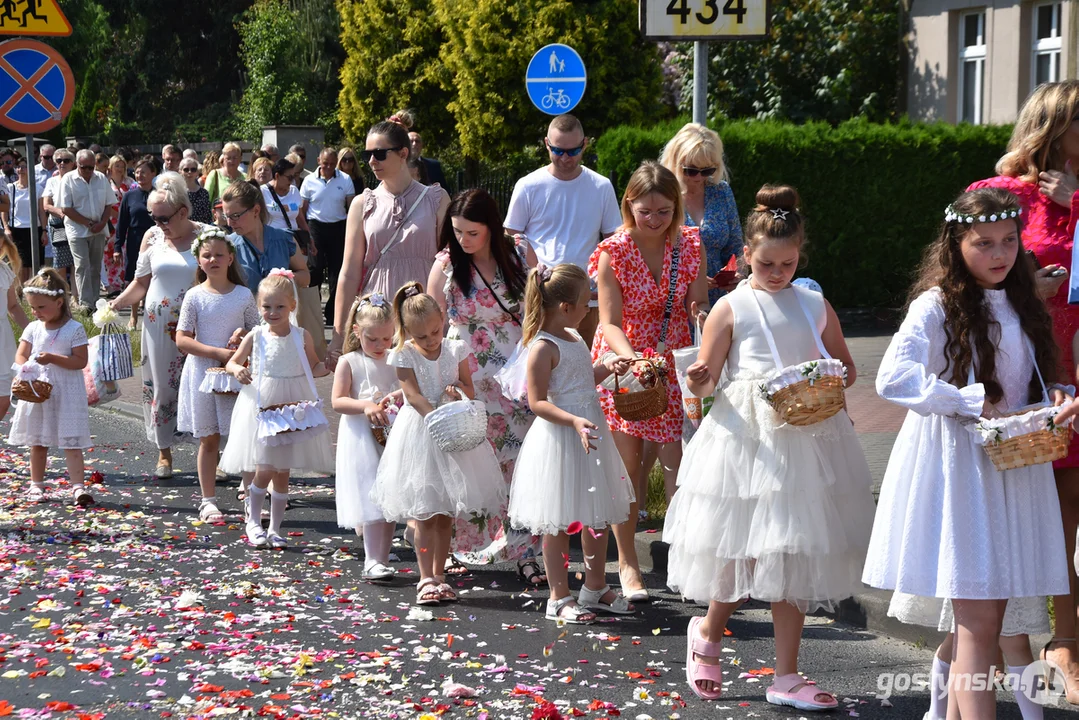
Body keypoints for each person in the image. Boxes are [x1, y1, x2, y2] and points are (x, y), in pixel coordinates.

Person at [864, 188, 1071, 719]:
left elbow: (1024, 381)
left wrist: (1054, 401)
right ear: (956, 246)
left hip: (1014, 475)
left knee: (1003, 627)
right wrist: (968, 401)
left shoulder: (1023, 303)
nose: (1000, 254)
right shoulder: (935, 306)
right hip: (962, 475)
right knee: (980, 627)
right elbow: (893, 377)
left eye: (1009, 241)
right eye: (984, 243)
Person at [664, 184, 872, 706]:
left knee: (795, 553)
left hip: (809, 436)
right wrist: (701, 375)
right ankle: (709, 631)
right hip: (748, 441)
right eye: (767, 264)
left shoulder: (813, 302)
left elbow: (844, 363)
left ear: (800, 254)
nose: (779, 272)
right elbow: (705, 384)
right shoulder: (731, 307)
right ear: (745, 258)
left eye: (788, 262)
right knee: (741, 552)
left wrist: (834, 378)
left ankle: (786, 675)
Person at [590, 161, 709, 602]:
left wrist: (701, 316)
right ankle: (627, 564)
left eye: (664, 211)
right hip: (626, 363)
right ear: (629, 206)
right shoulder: (613, 251)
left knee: (676, 466)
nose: (655, 220)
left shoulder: (690, 244)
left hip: (675, 363)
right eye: (646, 211)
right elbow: (609, 322)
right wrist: (633, 360)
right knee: (628, 471)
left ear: (676, 207)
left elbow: (698, 301)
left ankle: (679, 558)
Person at [504, 263, 635, 623]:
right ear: (565, 307)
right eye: (585, 301)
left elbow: (581, 379)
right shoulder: (542, 348)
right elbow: (538, 401)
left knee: (596, 516)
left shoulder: (574, 337)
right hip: (561, 440)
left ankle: (594, 585)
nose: (590, 306)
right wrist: (574, 419)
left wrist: (608, 366)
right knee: (559, 522)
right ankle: (559, 596)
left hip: (589, 436)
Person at [426, 189, 539, 574]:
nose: (464, 240)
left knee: (520, 461)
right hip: (468, 375)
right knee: (469, 460)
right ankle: (461, 547)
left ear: (492, 227)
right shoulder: (445, 265)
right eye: (457, 231)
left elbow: (537, 311)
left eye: (472, 232)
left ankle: (527, 553)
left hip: (516, 371)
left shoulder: (520, 253)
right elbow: (430, 326)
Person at [372, 282, 504, 605]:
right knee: (426, 511)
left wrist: (456, 392)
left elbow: (469, 388)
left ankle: (441, 575)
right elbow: (412, 395)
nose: (431, 341)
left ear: (442, 320)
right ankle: (425, 576)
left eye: (435, 332)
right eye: (422, 337)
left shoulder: (456, 349)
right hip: (421, 431)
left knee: (446, 513)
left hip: (454, 431)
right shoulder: (404, 355)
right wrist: (434, 416)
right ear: (408, 333)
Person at [221, 270, 333, 548]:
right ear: (259, 307)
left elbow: (315, 367)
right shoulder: (256, 336)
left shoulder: (301, 336)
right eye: (267, 307)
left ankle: (275, 528)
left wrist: (330, 365)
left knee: (283, 472)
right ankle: (253, 520)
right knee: (265, 468)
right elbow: (232, 362)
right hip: (263, 406)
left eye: (280, 307)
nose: (273, 312)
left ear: (292, 306)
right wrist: (238, 371)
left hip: (292, 408)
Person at [111, 172, 208, 479]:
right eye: (153, 216)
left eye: (164, 217)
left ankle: (209, 454)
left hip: (198, 323)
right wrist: (116, 304)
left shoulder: (206, 235)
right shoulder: (152, 237)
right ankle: (164, 452)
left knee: (200, 386)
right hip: (158, 325)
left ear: (183, 212)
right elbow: (141, 283)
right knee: (163, 388)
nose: (158, 223)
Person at [330, 119, 450, 367]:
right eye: (368, 155)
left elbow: (449, 263)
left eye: (379, 154)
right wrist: (338, 335)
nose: (372, 161)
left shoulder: (436, 199)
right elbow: (349, 271)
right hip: (378, 311)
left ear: (403, 153)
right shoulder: (362, 203)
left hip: (424, 307)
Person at [505, 114, 621, 345]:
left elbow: (614, 241)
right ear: (547, 144)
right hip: (543, 296)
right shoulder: (528, 185)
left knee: (585, 370)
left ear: (585, 144)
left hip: (587, 298)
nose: (565, 158)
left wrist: (606, 282)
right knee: (540, 370)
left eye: (573, 151)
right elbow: (511, 237)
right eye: (558, 151)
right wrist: (533, 271)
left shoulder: (600, 186)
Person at [175, 228, 259, 522]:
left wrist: (243, 335)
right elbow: (182, 339)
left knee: (244, 435)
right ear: (198, 260)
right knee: (209, 439)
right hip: (203, 374)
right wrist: (216, 352)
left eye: (219, 255)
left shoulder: (243, 295)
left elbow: (258, 332)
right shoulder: (195, 297)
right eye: (206, 255)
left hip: (238, 375)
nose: (213, 259)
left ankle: (251, 494)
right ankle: (208, 500)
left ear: (230, 258)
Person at [332, 292, 402, 581]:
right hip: (361, 437)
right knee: (370, 495)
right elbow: (338, 401)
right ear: (357, 331)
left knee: (389, 495)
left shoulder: (396, 358)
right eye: (373, 339)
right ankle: (372, 559)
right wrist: (365, 405)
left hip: (392, 433)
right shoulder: (350, 361)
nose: (380, 346)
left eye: (387, 339)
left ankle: (382, 553)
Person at [9, 269, 93, 506]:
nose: (36, 312)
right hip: (38, 390)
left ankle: (78, 487)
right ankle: (36, 484)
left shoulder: (74, 329)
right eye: (33, 308)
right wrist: (25, 369)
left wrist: (53, 358)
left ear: (58, 302)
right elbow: (21, 355)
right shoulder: (33, 328)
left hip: (66, 391)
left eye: (41, 307)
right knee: (38, 441)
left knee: (71, 441)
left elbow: (80, 361)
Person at [660, 123, 743, 304]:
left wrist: (738, 275)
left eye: (707, 170)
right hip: (674, 303)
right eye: (690, 170)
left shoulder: (721, 191)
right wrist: (690, 280)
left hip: (719, 302)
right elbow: (648, 253)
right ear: (675, 161)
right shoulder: (662, 194)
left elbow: (736, 248)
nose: (698, 177)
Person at [221, 180, 310, 295]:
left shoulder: (284, 238)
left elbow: (305, 276)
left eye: (235, 216)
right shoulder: (228, 246)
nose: (229, 223)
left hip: (279, 311)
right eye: (226, 216)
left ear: (256, 210)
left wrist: (285, 279)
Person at [300, 146, 355, 325]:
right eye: (325, 164)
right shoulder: (308, 181)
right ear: (318, 162)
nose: (329, 167)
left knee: (336, 272)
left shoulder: (345, 179)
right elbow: (303, 209)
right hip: (315, 226)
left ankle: (333, 313)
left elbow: (351, 207)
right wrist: (305, 234)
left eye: (332, 164)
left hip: (338, 227)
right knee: (315, 269)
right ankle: (314, 310)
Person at [58, 149, 118, 311]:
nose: (88, 171)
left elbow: (108, 204)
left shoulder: (101, 179)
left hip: (98, 228)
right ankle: (86, 304)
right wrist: (88, 223)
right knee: (82, 265)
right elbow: (66, 208)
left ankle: (95, 301)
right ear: (77, 164)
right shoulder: (68, 180)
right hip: (77, 230)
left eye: (91, 167)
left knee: (95, 266)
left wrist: (102, 223)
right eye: (84, 167)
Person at [115, 156, 157, 330]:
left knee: (155, 277)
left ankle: (151, 315)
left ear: (153, 173)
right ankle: (133, 316)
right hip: (135, 241)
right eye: (137, 172)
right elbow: (121, 223)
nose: (140, 175)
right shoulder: (129, 196)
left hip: (157, 241)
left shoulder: (159, 194)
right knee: (135, 277)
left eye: (144, 172)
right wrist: (117, 247)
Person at [0, 232, 27, 422]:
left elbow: (13, 306)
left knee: (4, 395)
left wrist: (35, 331)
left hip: (3, 338)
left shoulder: (4, 271)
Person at [4, 156, 44, 281]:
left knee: (35, 263)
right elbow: (5, 210)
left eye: (24, 166)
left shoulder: (38, 188)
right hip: (16, 228)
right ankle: (20, 291)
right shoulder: (11, 188)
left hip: (34, 228)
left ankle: (33, 288)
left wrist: (44, 231)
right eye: (18, 167)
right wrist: (6, 228)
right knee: (20, 263)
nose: (21, 169)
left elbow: (41, 212)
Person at [42, 149, 74, 290]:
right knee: (60, 262)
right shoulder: (52, 181)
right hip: (58, 225)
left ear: (73, 163)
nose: (62, 163)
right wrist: (63, 213)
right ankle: (64, 293)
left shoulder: (76, 180)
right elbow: (46, 205)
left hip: (76, 223)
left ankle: (76, 296)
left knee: (75, 261)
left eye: (66, 160)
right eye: (59, 161)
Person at [102, 155, 131, 296]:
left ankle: (122, 283)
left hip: (126, 222)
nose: (120, 169)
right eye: (117, 165)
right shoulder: (106, 182)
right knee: (109, 253)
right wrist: (116, 215)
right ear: (111, 167)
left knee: (124, 253)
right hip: (111, 222)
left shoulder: (130, 182)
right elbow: (104, 202)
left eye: (122, 166)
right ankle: (111, 285)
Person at [263, 158, 307, 235]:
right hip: (272, 239)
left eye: (293, 177)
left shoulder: (294, 191)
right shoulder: (262, 192)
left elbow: (300, 219)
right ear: (277, 176)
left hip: (291, 239)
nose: (292, 181)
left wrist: (310, 238)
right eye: (289, 178)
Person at [180, 157, 212, 224]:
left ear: (197, 172)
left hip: (201, 230)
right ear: (180, 171)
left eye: (193, 169)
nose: (189, 172)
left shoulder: (204, 193)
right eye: (186, 169)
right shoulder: (178, 193)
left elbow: (208, 216)